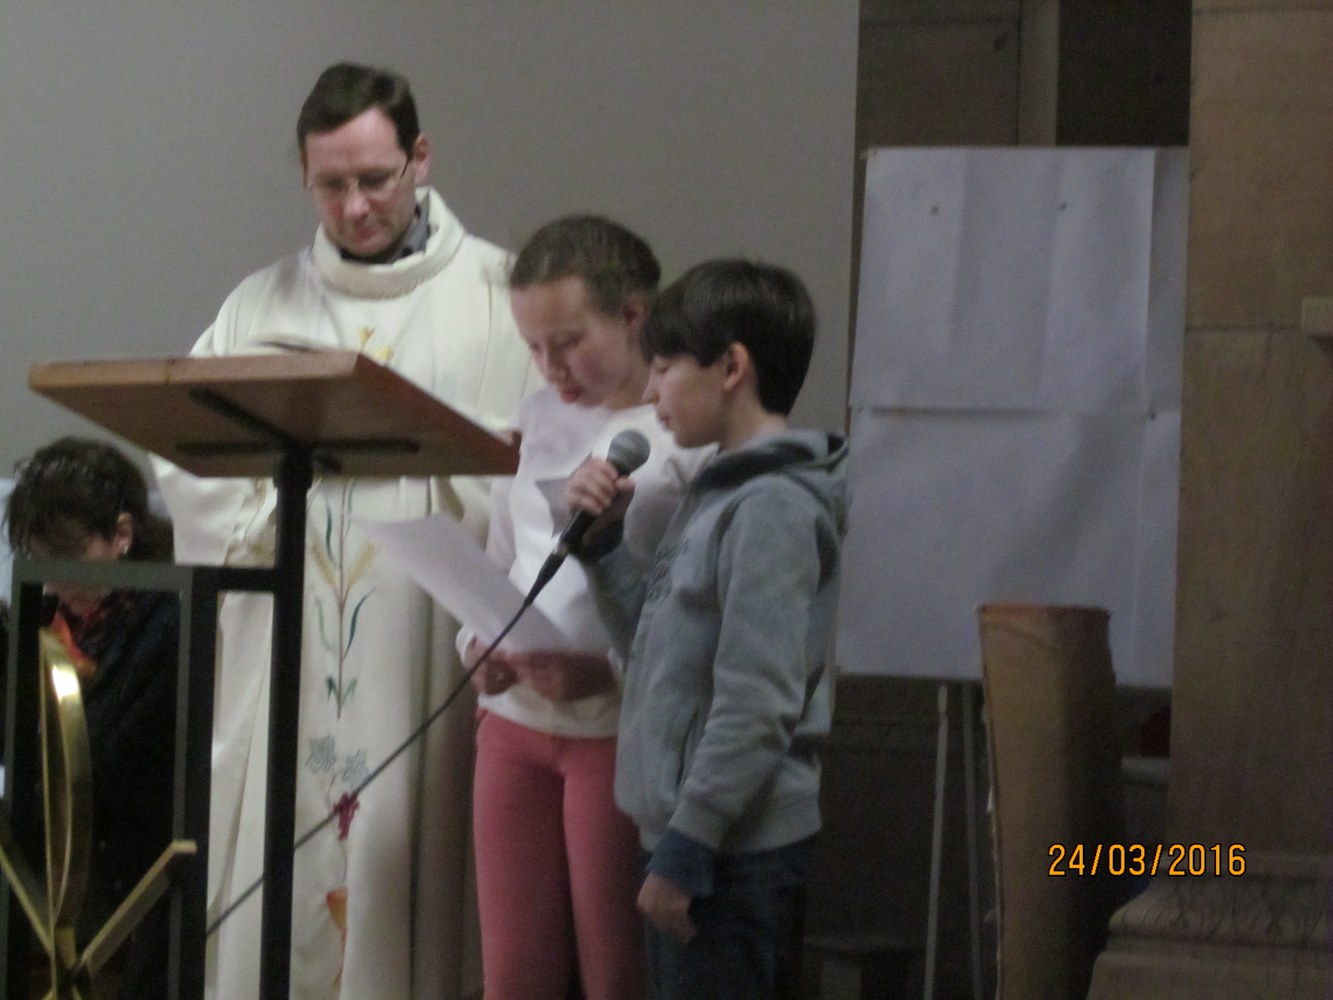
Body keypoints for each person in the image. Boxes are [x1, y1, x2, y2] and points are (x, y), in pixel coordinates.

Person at [153, 63, 537, 1000]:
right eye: (330, 185)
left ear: (420, 158)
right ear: (302, 176)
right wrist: (273, 507)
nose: (355, 208)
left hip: (420, 644)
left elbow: (534, 467)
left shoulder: (498, 294)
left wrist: (430, 481)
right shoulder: (260, 306)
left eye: (374, 179)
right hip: (289, 635)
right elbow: (187, 462)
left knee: (405, 857)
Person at [564, 259, 848, 999]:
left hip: (731, 851)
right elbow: (648, 650)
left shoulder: (771, 508)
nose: (649, 392)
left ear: (730, 368)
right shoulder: (716, 492)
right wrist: (603, 546)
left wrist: (690, 845)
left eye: (662, 368)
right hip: (693, 838)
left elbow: (756, 702)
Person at [460, 215, 711, 999]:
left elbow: (701, 609)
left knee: (615, 972)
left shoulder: (685, 435)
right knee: (514, 973)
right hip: (514, 728)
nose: (550, 367)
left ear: (633, 314)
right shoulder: (536, 416)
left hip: (617, 731)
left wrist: (609, 671)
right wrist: (475, 645)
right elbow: (504, 557)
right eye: (533, 347)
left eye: (567, 343)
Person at [6, 436, 178, 999]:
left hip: (130, 891)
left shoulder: (169, 622)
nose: (53, 583)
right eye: (40, 561)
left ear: (122, 535)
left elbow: (107, 772)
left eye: (66, 557)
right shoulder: (44, 618)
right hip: (48, 870)